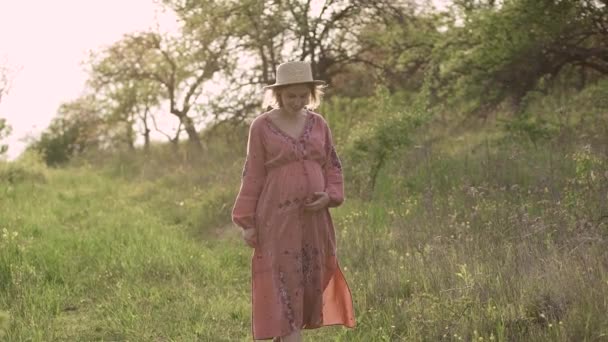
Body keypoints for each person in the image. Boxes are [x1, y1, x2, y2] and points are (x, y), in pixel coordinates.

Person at [232, 61, 355, 341]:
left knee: (311, 275)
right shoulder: (261, 126)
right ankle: (290, 335)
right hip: (277, 217)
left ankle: (287, 333)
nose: (297, 101)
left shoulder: (318, 124)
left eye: (303, 95)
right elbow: (252, 172)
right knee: (283, 277)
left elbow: (332, 165)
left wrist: (329, 196)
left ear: (311, 93)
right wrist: (246, 221)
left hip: (315, 218)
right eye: (291, 96)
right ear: (279, 94)